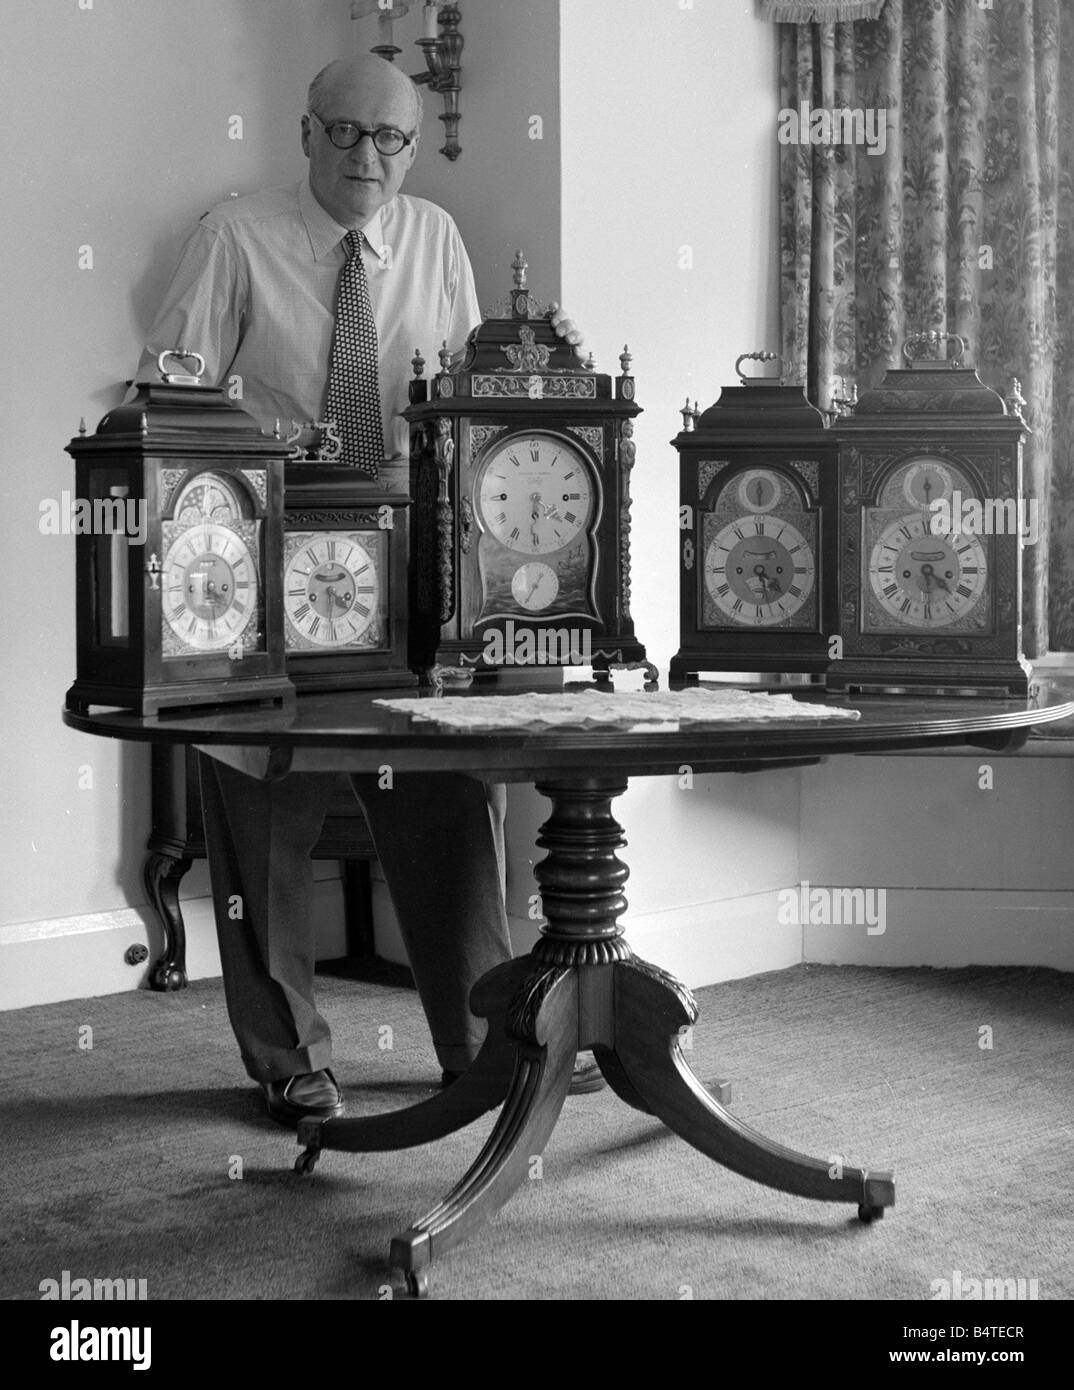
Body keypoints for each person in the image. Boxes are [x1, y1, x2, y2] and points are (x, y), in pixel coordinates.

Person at [136, 55, 602, 1126]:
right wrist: (260, 414)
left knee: (439, 792)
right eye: (346, 133)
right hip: (261, 558)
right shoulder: (236, 235)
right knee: (260, 806)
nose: (369, 158)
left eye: (391, 139)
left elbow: (476, 392)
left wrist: (540, 358)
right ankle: (289, 1059)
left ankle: (483, 1043)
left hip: (410, 561)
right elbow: (164, 382)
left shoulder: (434, 238)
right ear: (307, 133)